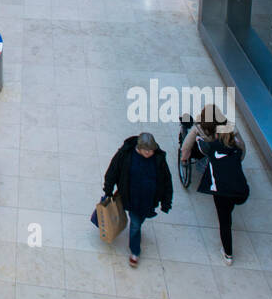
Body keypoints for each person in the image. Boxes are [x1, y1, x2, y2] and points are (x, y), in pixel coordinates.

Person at [180, 107, 249, 264]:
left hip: (220, 186)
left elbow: (186, 147)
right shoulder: (231, 134)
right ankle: (228, 253)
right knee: (227, 214)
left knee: (225, 221)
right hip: (238, 187)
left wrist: (184, 159)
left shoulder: (202, 133)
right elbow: (242, 149)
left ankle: (228, 254)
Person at [104, 132, 173, 266]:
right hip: (132, 197)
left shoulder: (159, 160)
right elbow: (113, 170)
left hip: (148, 200)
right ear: (139, 148)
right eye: (146, 150)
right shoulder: (126, 155)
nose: (148, 153)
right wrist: (108, 189)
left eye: (151, 150)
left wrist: (166, 202)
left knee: (139, 220)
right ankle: (135, 251)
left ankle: (136, 233)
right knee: (135, 224)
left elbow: (166, 181)